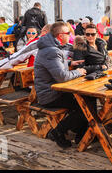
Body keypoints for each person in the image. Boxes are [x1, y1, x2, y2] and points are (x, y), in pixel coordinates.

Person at [34, 21, 88, 149]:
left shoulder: (51, 48)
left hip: (55, 91)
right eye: (68, 33)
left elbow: (54, 68)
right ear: (60, 36)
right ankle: (58, 131)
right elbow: (62, 76)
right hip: (49, 95)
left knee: (85, 102)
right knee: (84, 106)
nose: (70, 35)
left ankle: (81, 133)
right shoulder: (52, 50)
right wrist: (78, 72)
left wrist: (69, 65)